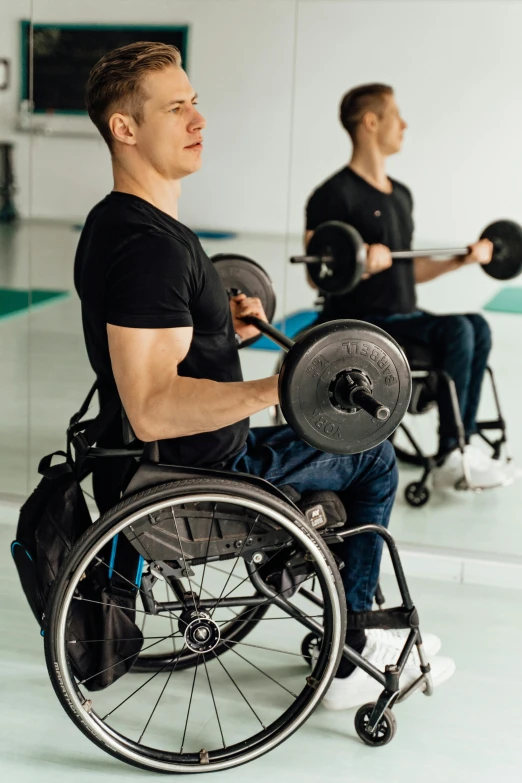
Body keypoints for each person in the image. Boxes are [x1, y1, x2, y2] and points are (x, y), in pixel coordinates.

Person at [75, 43, 454, 711]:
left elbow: (161, 336)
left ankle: (326, 583)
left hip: (179, 459)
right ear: (125, 129)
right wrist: (283, 388)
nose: (198, 119)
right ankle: (352, 655)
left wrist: (217, 320)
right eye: (175, 108)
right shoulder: (150, 249)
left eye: (195, 102)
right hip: (205, 473)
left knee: (335, 444)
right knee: (370, 454)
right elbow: (154, 406)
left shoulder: (123, 224)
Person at [305, 83, 508, 489]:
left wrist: (460, 260)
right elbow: (317, 270)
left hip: (403, 316)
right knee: (458, 330)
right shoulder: (332, 195)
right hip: (361, 321)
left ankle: (460, 448)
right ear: (371, 122)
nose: (405, 124)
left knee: (476, 325)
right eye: (396, 115)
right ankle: (453, 451)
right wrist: (362, 263)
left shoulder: (401, 195)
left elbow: (408, 270)